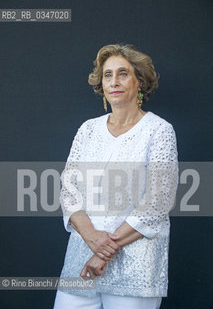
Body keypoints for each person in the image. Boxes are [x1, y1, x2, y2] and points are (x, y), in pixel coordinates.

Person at [53, 44, 179, 309]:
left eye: (123, 73)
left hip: (135, 266)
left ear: (140, 82)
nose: (114, 81)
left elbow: (158, 201)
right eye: (108, 75)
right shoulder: (88, 130)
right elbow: (68, 190)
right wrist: (91, 239)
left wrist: (102, 252)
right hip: (80, 260)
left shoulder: (159, 131)